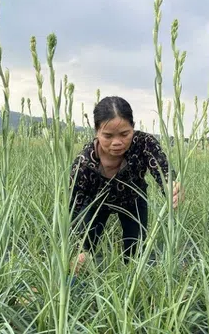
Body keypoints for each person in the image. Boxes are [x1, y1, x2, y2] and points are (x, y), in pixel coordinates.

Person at [69, 96, 182, 270]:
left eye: (124, 134)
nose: (117, 142)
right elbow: (73, 207)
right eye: (107, 136)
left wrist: (171, 188)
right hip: (96, 204)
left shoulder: (144, 144)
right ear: (96, 132)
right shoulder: (84, 163)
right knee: (83, 250)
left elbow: (163, 170)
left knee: (135, 253)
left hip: (133, 200)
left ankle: (132, 285)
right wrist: (75, 244)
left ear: (133, 128)